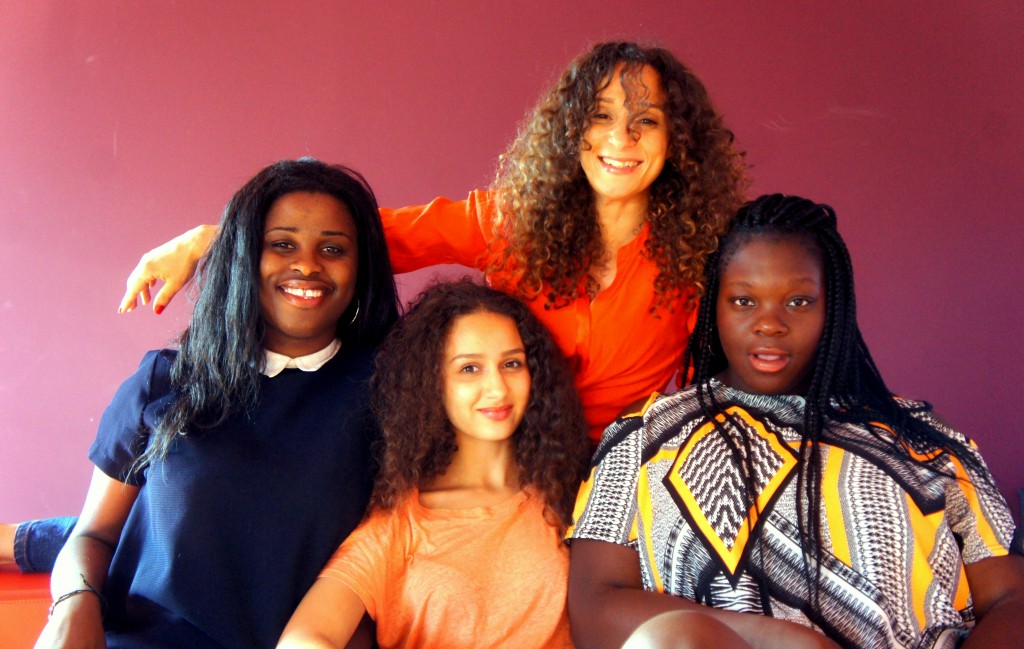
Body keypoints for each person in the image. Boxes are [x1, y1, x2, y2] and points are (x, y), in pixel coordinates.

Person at [113, 41, 747, 441]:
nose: (620, 139)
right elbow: (363, 237)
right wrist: (212, 239)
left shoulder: (704, 251)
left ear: (676, 141)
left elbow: (722, 373)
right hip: (500, 452)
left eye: (645, 122)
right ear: (570, 132)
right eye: (601, 116)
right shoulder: (510, 220)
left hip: (620, 471)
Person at [566, 194, 1024, 648]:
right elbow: (594, 608)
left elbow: (1011, 599)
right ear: (713, 306)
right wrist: (783, 639)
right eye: (744, 300)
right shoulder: (645, 434)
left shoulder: (924, 440)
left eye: (799, 301)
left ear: (834, 309)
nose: (769, 324)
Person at [33, 158, 400, 649]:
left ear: (361, 269)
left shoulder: (392, 396)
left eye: (333, 249)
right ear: (245, 257)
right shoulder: (164, 380)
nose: (308, 265)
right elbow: (94, 535)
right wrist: (72, 604)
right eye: (282, 244)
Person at [277, 279, 590, 648]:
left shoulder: (571, 492)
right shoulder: (398, 524)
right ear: (432, 383)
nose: (497, 388)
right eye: (469, 368)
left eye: (511, 363)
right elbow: (303, 639)